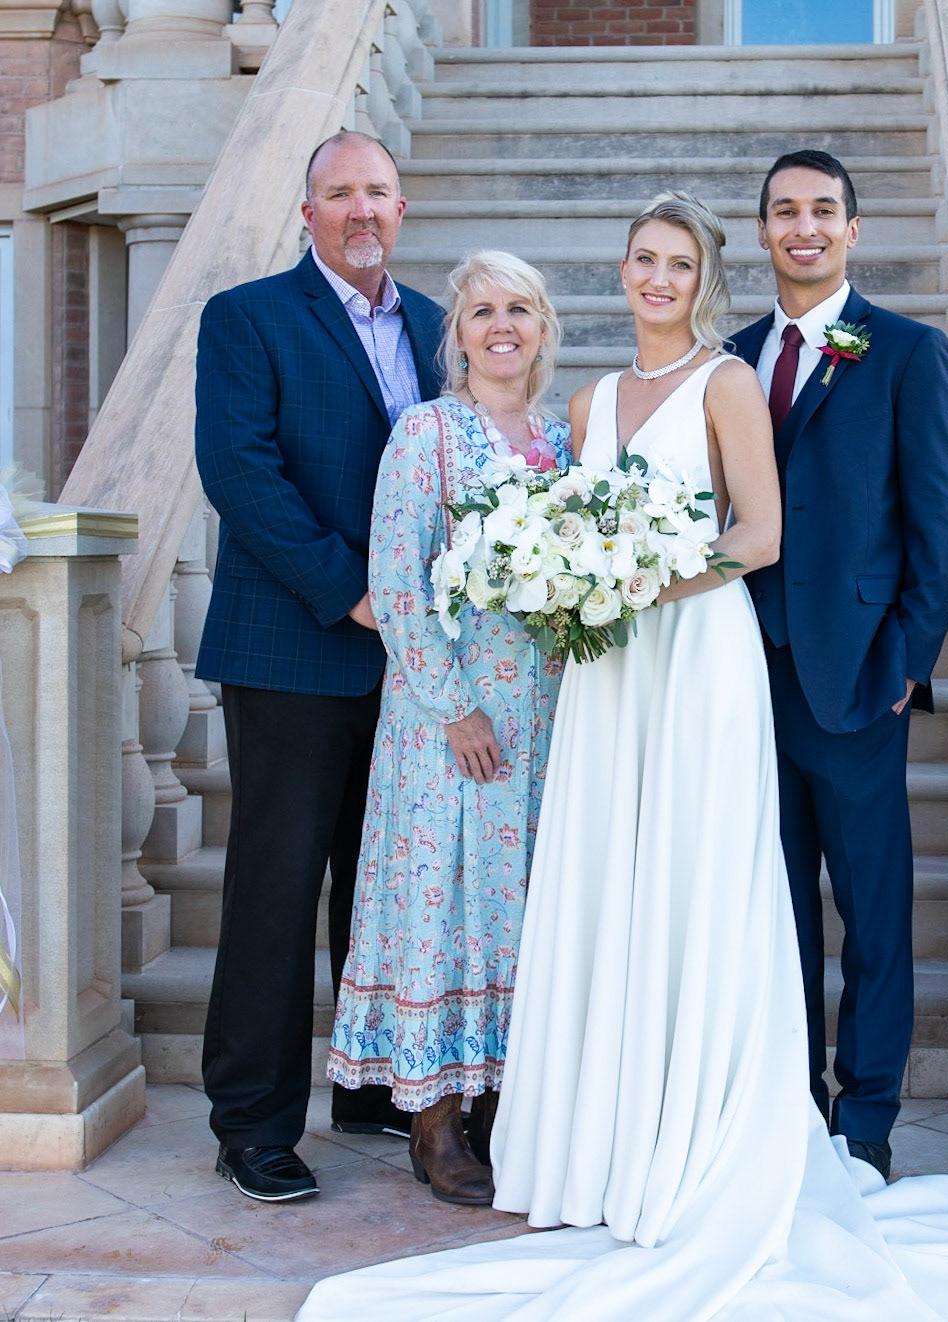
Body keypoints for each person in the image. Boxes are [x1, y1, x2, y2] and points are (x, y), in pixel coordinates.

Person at [296, 194, 948, 1322]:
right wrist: (584, 584)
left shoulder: (727, 382)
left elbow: (760, 534)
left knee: (703, 885)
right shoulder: (581, 407)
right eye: (642, 259)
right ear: (619, 271)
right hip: (604, 676)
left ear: (703, 281)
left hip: (696, 655)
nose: (656, 278)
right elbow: (540, 540)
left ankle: (721, 1130)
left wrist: (639, 579)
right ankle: (609, 1133)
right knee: (613, 888)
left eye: (678, 264)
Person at [195, 131, 445, 1203]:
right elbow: (237, 470)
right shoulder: (247, 317)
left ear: (401, 207)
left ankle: (367, 1085)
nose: (361, 209)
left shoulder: (434, 323)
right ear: (309, 213)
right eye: (339, 193)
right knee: (277, 886)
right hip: (291, 645)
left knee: (379, 880)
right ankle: (252, 1122)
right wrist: (351, 589)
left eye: (376, 192)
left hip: (409, 661)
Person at [731, 148, 948, 1177]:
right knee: (772, 905)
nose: (804, 226)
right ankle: (786, 1101)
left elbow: (941, 514)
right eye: (784, 211)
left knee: (872, 908)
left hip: (860, 673)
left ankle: (864, 1116)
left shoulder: (906, 351)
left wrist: (906, 658)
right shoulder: (730, 358)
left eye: (821, 210)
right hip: (745, 673)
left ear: (851, 229)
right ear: (761, 231)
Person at [327, 251, 570, 1206]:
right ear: (457, 335)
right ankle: (433, 1125)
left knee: (521, 913)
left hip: (545, 720)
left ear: (543, 327)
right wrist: (454, 704)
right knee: (440, 904)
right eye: (481, 312)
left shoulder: (564, 442)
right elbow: (395, 582)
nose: (501, 325)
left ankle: (504, 1107)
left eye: (519, 308)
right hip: (445, 721)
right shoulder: (424, 433)